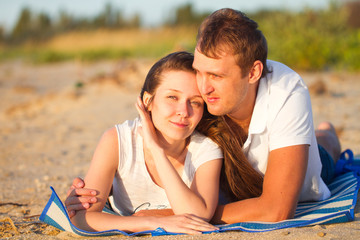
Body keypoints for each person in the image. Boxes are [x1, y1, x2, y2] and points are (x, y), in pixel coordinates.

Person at [65, 8, 342, 224]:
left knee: (325, 150)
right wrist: (93, 189)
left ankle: (327, 133)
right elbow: (157, 128)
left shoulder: (285, 90)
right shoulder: (199, 98)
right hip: (235, 190)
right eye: (199, 70)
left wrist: (176, 214)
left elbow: (276, 209)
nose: (203, 86)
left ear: (253, 72)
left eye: (217, 75)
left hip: (297, 174)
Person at [67, 51, 225, 234]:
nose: (184, 111)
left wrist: (157, 151)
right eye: (172, 97)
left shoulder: (206, 149)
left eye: (195, 102)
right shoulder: (117, 141)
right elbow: (82, 218)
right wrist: (152, 222)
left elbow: (198, 215)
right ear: (148, 101)